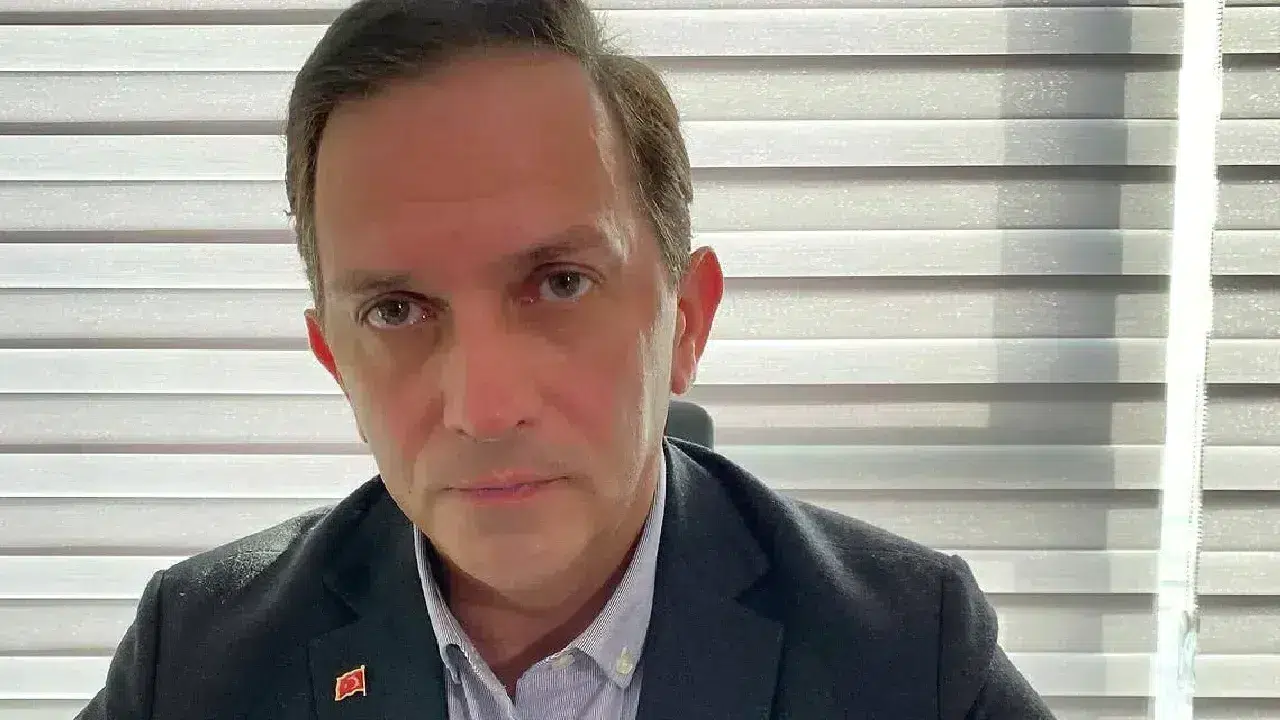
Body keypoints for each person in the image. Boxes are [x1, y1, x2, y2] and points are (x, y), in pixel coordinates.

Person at [77, 0, 1057, 718]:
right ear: (336, 360)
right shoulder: (197, 662)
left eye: (557, 284)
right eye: (396, 309)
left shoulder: (905, 656)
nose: (485, 406)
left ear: (685, 320)